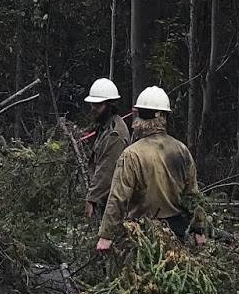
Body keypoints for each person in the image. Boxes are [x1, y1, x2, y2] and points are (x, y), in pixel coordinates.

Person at [95, 86, 205, 253]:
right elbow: (192, 195)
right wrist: (199, 229)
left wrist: (106, 236)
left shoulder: (131, 154)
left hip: (142, 233)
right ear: (164, 117)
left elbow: (118, 197)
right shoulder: (181, 150)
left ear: (139, 116)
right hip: (177, 232)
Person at [81, 78, 130, 230]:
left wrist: (92, 199)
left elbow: (106, 170)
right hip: (106, 199)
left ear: (110, 105)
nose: (93, 108)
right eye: (92, 104)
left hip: (114, 202)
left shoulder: (115, 135)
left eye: (98, 105)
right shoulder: (104, 127)